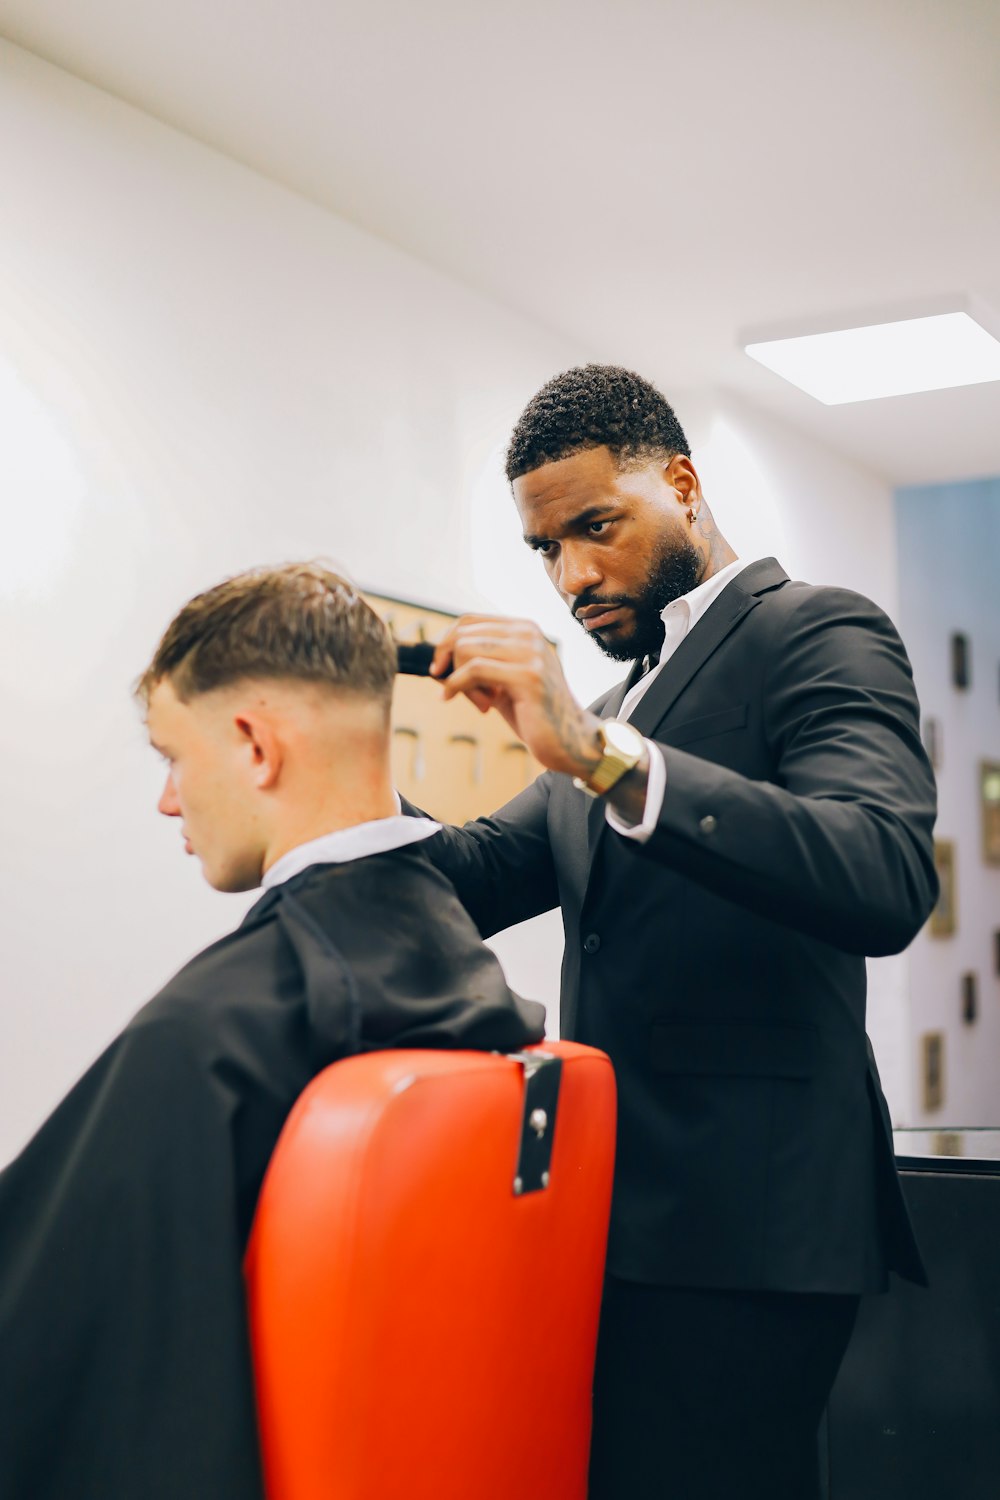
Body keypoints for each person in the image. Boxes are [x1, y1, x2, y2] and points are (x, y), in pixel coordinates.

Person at [413, 364, 938, 1499]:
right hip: (613, 1217)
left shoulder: (814, 631)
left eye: (594, 528)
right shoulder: (607, 717)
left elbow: (883, 871)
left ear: (684, 486)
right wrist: (331, 772)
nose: (573, 575)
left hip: (755, 1232)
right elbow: (471, 874)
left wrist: (606, 762)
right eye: (544, 550)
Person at [0, 562, 545, 1500]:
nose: (168, 800)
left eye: (172, 755)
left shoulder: (204, 1039)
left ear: (255, 745)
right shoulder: (457, 972)